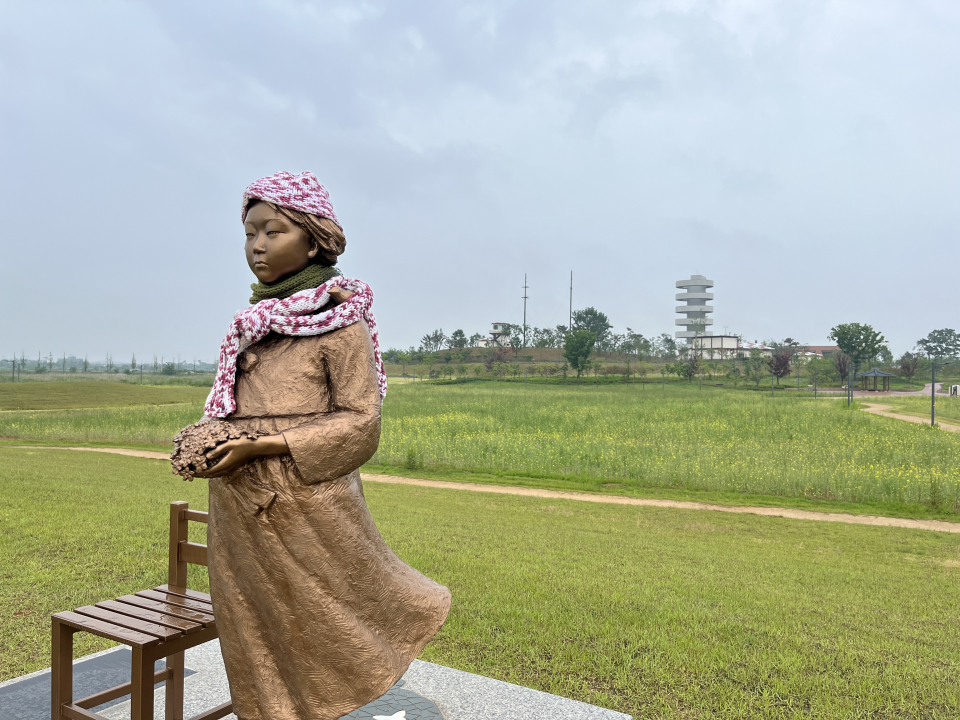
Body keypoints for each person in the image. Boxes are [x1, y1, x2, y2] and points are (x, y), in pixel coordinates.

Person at [192, 171, 451, 720]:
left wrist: (262, 446)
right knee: (250, 625)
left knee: (316, 625)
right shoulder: (254, 325)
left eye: (273, 231)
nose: (257, 246)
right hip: (238, 509)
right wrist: (210, 440)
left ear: (312, 239)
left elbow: (361, 422)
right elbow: (230, 407)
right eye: (249, 233)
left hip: (308, 510)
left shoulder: (340, 325)